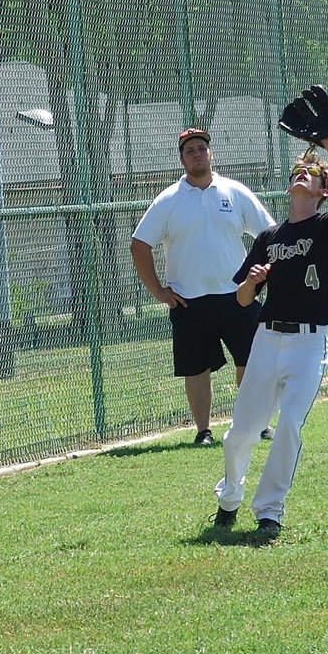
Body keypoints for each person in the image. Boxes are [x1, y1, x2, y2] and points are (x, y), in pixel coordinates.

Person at [212, 130, 328, 541]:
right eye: (299, 170)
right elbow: (243, 299)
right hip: (267, 339)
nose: (304, 174)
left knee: (290, 426)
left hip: (308, 343)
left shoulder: (327, 228)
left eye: (312, 173)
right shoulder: (269, 237)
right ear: (290, 185)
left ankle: (270, 510)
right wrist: (251, 280)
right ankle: (229, 497)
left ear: (321, 191)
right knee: (242, 431)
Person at [130, 128, 275, 446]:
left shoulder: (234, 192)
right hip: (188, 299)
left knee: (251, 360)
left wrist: (260, 274)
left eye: (201, 148)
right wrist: (159, 291)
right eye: (189, 150)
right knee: (196, 368)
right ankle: (203, 431)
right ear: (182, 159)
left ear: (211, 154)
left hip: (238, 295)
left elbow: (269, 234)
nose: (197, 154)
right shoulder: (169, 200)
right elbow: (139, 245)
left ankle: (252, 423)